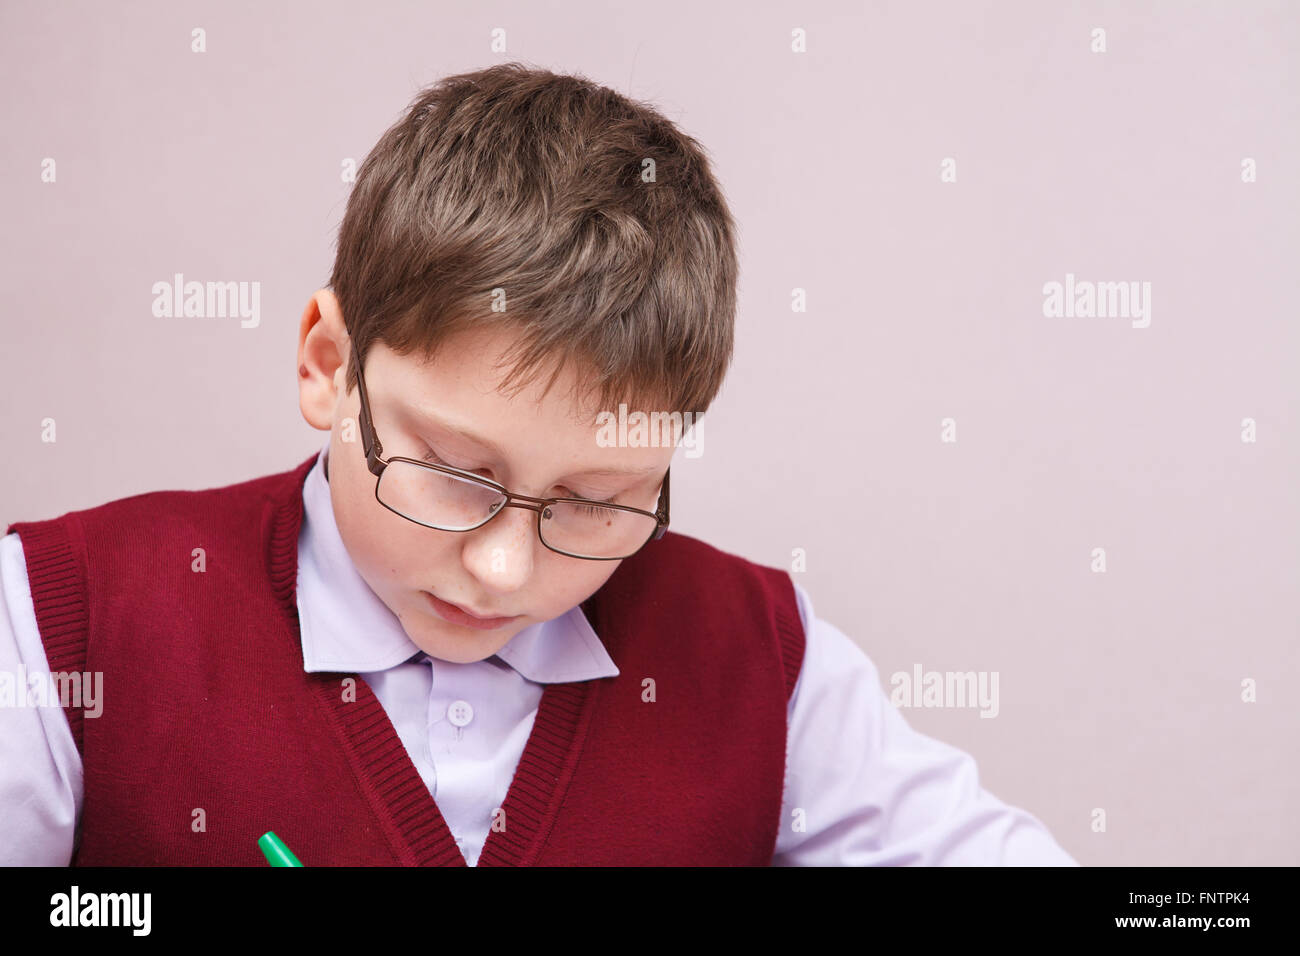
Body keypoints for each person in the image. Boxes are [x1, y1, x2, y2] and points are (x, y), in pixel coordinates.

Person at [0, 62, 1077, 866]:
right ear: (329, 365)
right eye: (455, 474)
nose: (508, 570)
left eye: (599, 502)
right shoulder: (67, 619)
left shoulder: (765, 661)